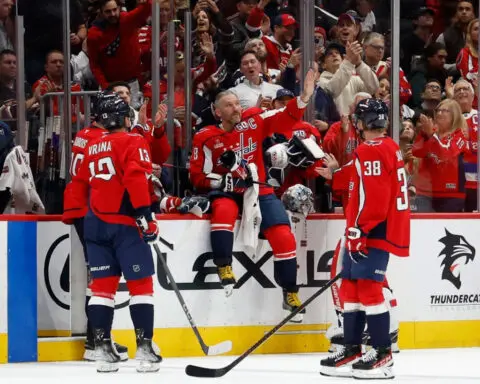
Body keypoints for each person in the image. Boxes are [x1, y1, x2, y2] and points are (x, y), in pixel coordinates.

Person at [189, 69, 315, 322]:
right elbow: (196, 176)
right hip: (227, 191)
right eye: (229, 105)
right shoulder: (205, 137)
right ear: (217, 112)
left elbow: (284, 116)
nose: (236, 108)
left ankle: (290, 293)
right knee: (223, 211)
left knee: (283, 235)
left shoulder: (253, 119)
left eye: (237, 103)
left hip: (258, 187)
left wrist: (303, 98)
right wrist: (221, 180)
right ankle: (224, 265)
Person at [64, 93, 162, 373]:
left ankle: (102, 350)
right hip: (124, 223)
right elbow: (134, 177)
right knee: (141, 286)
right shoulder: (134, 140)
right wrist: (145, 216)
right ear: (124, 118)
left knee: (102, 289)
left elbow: (80, 183)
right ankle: (145, 350)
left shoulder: (93, 144)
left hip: (94, 223)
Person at [319, 99, 410, 380]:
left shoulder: (370, 150)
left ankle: (382, 354)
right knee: (350, 288)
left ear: (362, 123)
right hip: (367, 229)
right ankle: (352, 347)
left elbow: (374, 198)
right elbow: (359, 182)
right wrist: (337, 174)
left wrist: (359, 231)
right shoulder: (386, 147)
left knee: (370, 290)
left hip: (373, 231)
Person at [62, 91, 129, 362]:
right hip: (92, 208)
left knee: (100, 272)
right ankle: (96, 341)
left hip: (83, 206)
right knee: (102, 274)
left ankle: (97, 338)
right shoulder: (102, 140)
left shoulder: (86, 134)